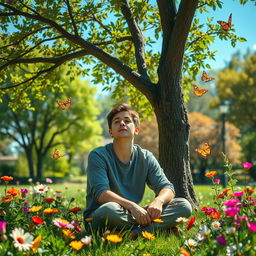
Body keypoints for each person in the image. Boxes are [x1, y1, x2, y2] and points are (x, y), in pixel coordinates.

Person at [83, 103, 192, 236]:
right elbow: (101, 194)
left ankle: (132, 234)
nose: (122, 123)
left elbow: (167, 187)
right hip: (103, 216)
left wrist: (158, 201)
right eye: (117, 121)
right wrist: (133, 206)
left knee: (183, 205)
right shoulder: (98, 155)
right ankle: (158, 228)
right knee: (109, 209)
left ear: (136, 130)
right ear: (111, 132)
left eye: (127, 121)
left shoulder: (145, 157)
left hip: (133, 215)